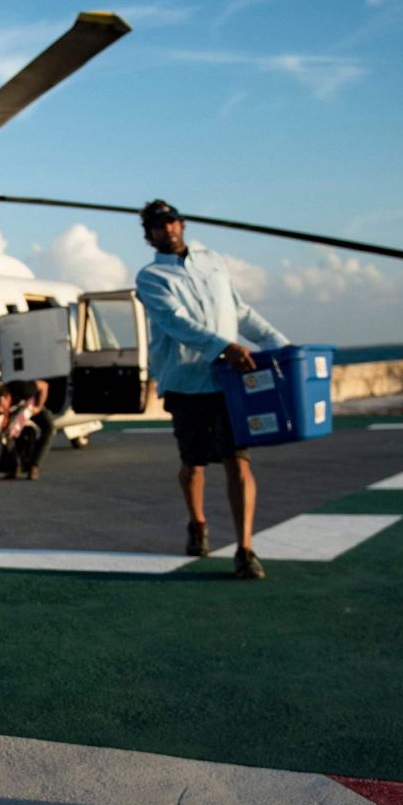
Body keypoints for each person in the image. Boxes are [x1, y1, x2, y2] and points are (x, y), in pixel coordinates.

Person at [134, 199, 288, 580]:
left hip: (228, 381)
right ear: (149, 235)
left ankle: (245, 548)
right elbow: (175, 322)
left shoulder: (213, 261)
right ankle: (198, 523)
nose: (166, 228)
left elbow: (238, 310)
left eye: (170, 221)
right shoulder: (151, 278)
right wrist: (226, 347)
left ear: (182, 224)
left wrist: (280, 346)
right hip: (187, 382)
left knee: (238, 460)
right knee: (194, 464)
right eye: (157, 225)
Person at [0, 378, 54, 480]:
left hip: (31, 406)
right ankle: (16, 466)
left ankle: (34, 466)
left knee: (49, 428)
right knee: (7, 435)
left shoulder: (22, 389)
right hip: (16, 414)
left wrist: (38, 407)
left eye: (0, 406)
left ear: (7, 397)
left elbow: (44, 385)